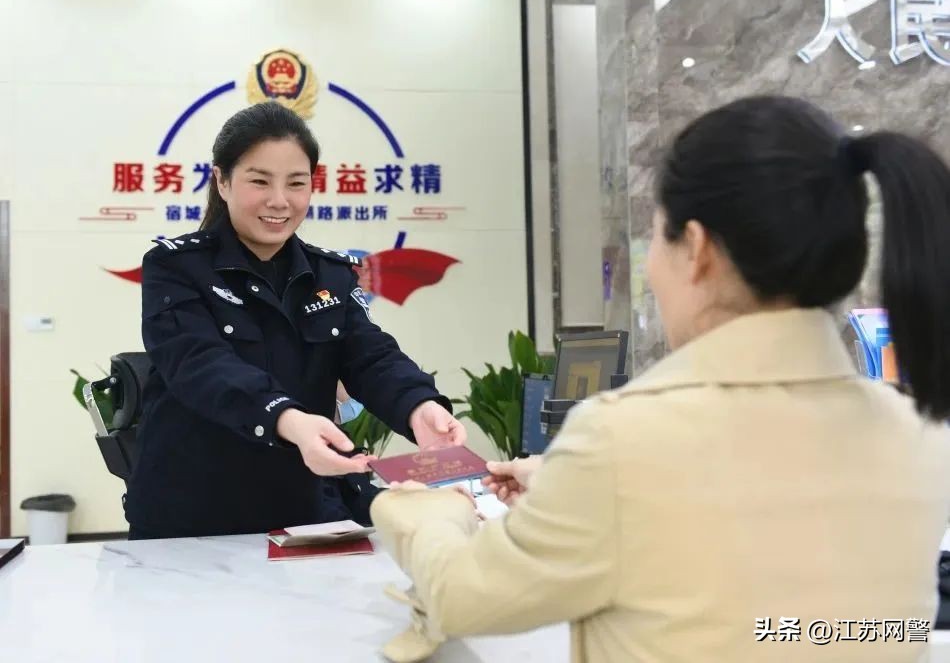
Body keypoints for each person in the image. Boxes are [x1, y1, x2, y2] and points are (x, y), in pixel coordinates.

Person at [370, 96, 950, 662]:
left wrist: (433, 518)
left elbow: (459, 597)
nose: (648, 266)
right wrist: (567, 485)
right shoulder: (919, 428)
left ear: (695, 248)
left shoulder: (624, 439)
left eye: (657, 238)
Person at [125, 101, 465, 539]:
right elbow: (200, 365)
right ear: (222, 181)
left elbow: (371, 357)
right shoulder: (175, 267)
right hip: (190, 519)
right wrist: (287, 418)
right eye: (259, 181)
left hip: (300, 516)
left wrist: (420, 408)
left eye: (296, 183)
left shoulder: (331, 275)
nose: (279, 201)